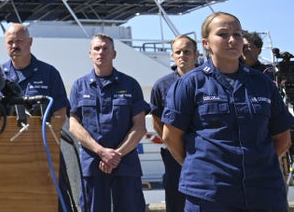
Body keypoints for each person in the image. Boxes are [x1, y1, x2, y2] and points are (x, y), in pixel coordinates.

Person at [162, 12, 294, 211]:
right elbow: (171, 137)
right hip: (210, 194)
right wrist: (202, 168)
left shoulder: (263, 84)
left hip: (264, 193)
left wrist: (258, 166)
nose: (232, 40)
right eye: (223, 34)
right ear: (206, 43)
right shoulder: (190, 84)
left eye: (237, 34)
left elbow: (283, 138)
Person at [68, 33, 148, 212]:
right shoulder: (79, 86)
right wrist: (101, 152)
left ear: (114, 54)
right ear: (90, 53)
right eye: (97, 48)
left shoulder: (130, 85)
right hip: (93, 164)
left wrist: (115, 155)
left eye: (105, 48)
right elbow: (74, 125)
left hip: (125, 164)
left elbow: (140, 126)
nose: (101, 52)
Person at [1, 23, 72, 211]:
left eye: (19, 41)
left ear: (30, 42)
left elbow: (60, 114)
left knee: (56, 202)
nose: (15, 46)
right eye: (10, 42)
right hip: (8, 155)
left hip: (44, 152)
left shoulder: (49, 73)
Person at [149, 35, 199, 212]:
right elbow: (156, 120)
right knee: (176, 203)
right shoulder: (161, 85)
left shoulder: (210, 80)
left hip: (205, 154)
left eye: (187, 51)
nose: (182, 55)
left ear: (196, 54)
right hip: (174, 156)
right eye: (178, 52)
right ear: (172, 55)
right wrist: (173, 144)